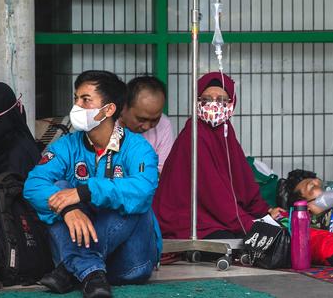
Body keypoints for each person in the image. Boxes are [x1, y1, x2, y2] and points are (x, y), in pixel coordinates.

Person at [24, 71, 161, 298]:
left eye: (85, 100)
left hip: (129, 265)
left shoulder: (138, 148)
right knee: (57, 188)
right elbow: (34, 184)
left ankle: (74, 268)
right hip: (88, 271)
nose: (76, 105)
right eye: (76, 98)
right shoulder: (66, 146)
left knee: (133, 200)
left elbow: (143, 190)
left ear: (108, 109)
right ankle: (91, 272)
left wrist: (85, 191)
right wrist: (68, 209)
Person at [153, 72, 283, 240]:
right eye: (206, 99)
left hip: (219, 215)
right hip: (188, 219)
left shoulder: (227, 134)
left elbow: (244, 184)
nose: (213, 105)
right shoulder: (193, 135)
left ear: (232, 103)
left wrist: (265, 211)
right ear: (197, 102)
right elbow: (214, 194)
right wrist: (249, 223)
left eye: (221, 100)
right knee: (235, 237)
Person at [119, 76, 175, 173]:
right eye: (141, 119)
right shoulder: (107, 123)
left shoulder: (164, 124)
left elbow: (162, 172)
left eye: (155, 120)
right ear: (124, 107)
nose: (147, 126)